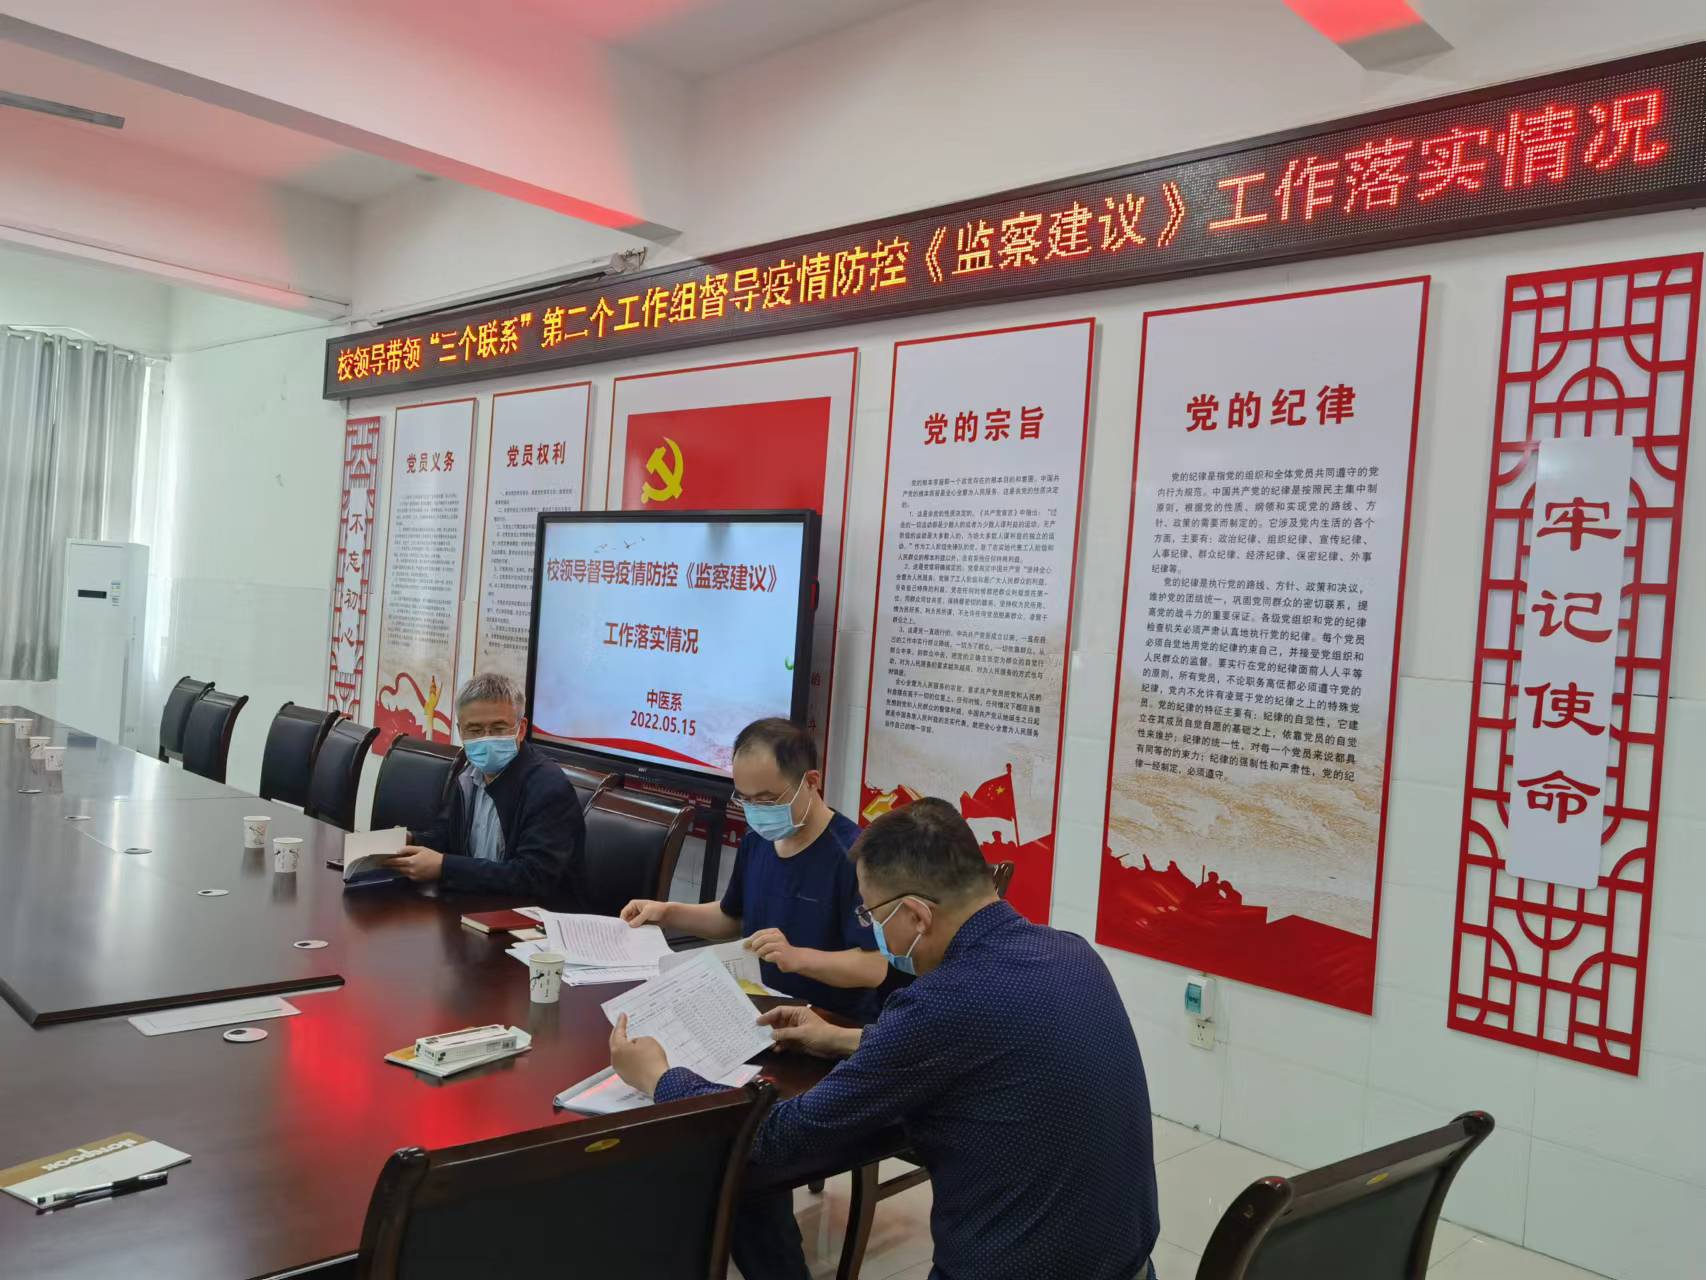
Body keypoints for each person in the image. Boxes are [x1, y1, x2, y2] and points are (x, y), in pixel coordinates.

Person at [610, 797, 1160, 1280]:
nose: (871, 926)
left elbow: (775, 1137)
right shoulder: (1072, 952)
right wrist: (842, 1038)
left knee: (738, 1171)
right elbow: (980, 1048)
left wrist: (661, 1078)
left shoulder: (943, 1002)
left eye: (870, 913)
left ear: (916, 914)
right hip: (1129, 1266)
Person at [619, 717, 885, 1020]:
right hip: (759, 1009)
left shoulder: (854, 856)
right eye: (745, 800)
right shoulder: (757, 840)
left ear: (811, 782)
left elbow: (874, 966)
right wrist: (667, 913)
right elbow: (732, 917)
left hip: (827, 1022)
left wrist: (798, 958)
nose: (756, 812)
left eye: (767, 800)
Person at [382, 672, 586, 907]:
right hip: (474, 906)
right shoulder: (468, 774)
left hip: (531, 918)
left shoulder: (548, 787)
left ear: (521, 729)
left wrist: (444, 867)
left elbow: (533, 877)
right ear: (460, 731)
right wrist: (413, 840)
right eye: (475, 730)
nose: (486, 739)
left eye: (498, 728)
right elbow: (449, 836)